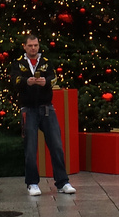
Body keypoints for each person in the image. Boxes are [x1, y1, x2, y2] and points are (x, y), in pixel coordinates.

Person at [10, 33, 76, 196]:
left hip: (47, 108)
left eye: (36, 45)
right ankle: (32, 183)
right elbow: (14, 80)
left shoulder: (46, 62)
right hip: (28, 109)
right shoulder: (18, 63)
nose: (33, 48)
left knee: (56, 145)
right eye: (30, 45)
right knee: (30, 148)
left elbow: (53, 78)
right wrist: (27, 81)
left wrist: (46, 82)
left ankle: (62, 182)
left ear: (39, 46)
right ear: (24, 47)